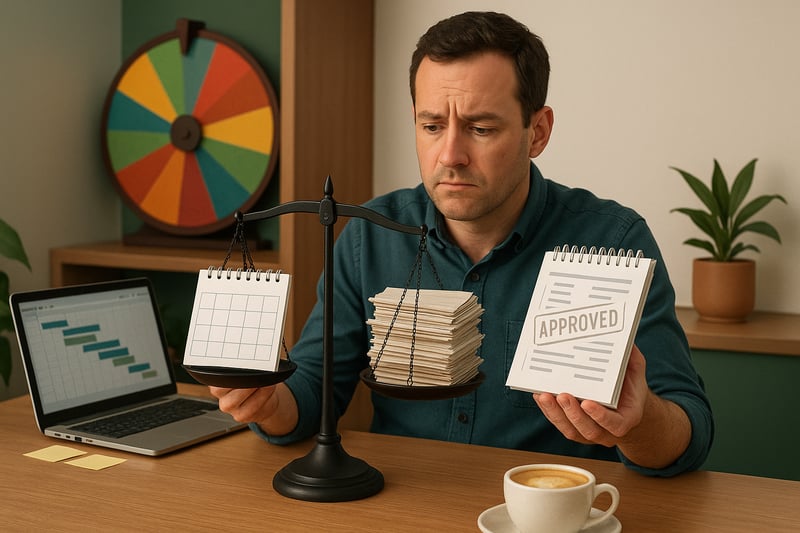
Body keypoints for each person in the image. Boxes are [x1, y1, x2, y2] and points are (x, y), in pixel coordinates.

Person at [210, 11, 713, 477]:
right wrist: (268, 405)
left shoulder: (613, 242)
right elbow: (309, 397)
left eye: (480, 128)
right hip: (406, 503)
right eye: (431, 126)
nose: (450, 155)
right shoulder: (369, 235)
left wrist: (640, 422)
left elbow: (689, 436)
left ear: (537, 132)